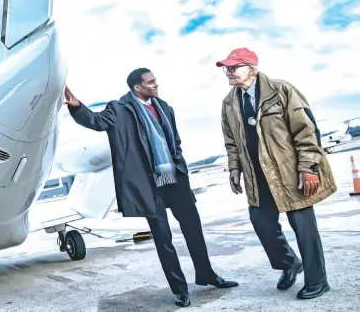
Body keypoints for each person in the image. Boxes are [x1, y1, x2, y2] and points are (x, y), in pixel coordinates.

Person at [64, 68, 238, 307]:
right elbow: (96, 122)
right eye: (151, 82)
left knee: (194, 230)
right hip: (147, 183)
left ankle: (207, 275)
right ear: (137, 87)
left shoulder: (164, 106)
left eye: (155, 81)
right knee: (163, 239)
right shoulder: (120, 109)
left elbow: (173, 139)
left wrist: (178, 162)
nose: (156, 85)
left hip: (174, 179)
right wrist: (76, 106)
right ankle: (179, 289)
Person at [217, 47, 336, 299]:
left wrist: (308, 168)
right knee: (262, 223)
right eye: (226, 67)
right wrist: (235, 168)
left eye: (233, 67)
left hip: (290, 172)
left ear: (251, 68)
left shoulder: (281, 90)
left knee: (304, 228)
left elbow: (306, 131)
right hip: (256, 176)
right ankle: (289, 263)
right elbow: (230, 141)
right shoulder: (229, 103)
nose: (228, 72)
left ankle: (318, 281)